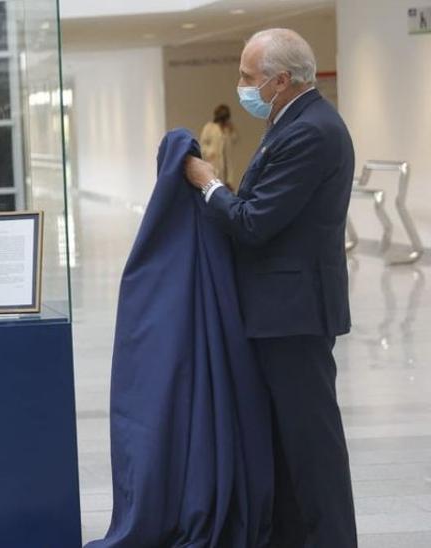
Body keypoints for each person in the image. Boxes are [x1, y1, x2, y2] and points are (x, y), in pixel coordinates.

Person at [185, 28, 357, 547]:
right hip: (278, 311)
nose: (240, 85)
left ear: (281, 81)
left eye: (247, 76)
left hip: (294, 314)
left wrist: (208, 183)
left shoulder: (313, 131)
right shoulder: (292, 122)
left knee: (311, 447)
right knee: (286, 445)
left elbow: (256, 222)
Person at [199, 104, 238, 189]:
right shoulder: (209, 127)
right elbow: (202, 146)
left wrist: (232, 129)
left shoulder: (227, 130)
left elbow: (233, 143)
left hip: (225, 169)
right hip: (212, 164)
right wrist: (210, 152)